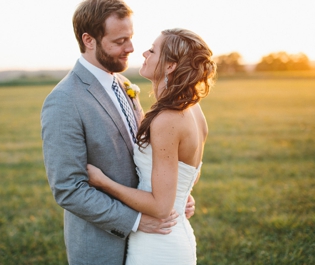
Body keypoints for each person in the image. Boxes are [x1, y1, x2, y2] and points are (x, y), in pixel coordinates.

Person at [40, 0, 195, 264]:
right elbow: (68, 188)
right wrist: (135, 221)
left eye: (131, 38)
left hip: (149, 241)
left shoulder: (125, 84)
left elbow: (143, 155)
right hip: (101, 246)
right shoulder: (64, 100)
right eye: (120, 40)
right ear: (89, 40)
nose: (132, 48)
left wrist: (174, 193)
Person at [86, 28, 215, 264]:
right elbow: (189, 174)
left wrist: (103, 181)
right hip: (175, 235)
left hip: (158, 245)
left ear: (170, 66)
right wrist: (182, 196)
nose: (144, 52)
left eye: (153, 50)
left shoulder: (168, 119)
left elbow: (160, 207)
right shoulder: (194, 109)